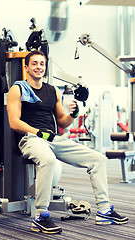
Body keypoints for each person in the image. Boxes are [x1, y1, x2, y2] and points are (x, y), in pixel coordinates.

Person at [7, 50, 128, 234]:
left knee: (98, 159)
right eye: (35, 64)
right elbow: (14, 122)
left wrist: (74, 114)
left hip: (52, 138)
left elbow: (62, 121)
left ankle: (104, 211)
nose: (39, 67)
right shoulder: (18, 88)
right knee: (48, 160)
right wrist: (38, 132)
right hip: (30, 138)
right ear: (26, 67)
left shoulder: (53, 90)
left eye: (42, 64)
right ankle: (41, 216)